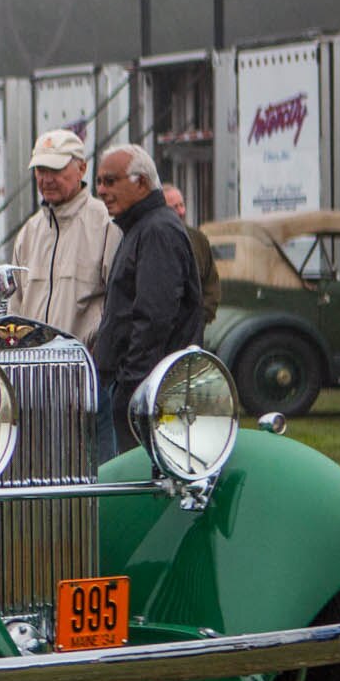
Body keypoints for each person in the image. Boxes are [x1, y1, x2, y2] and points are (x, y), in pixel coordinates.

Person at [91, 144, 203, 458]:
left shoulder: (157, 231)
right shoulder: (139, 228)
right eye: (99, 182)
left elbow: (153, 317)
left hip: (146, 393)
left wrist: (131, 390)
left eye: (111, 181)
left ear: (141, 183)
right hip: (134, 386)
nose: (102, 190)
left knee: (130, 486)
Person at [9, 131, 115, 346]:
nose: (47, 179)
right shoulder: (29, 232)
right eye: (41, 170)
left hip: (87, 368)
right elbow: (14, 308)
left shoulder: (106, 224)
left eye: (56, 169)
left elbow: (121, 306)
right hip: (32, 369)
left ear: (82, 169)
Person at [162, 182, 219, 334]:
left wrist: (201, 317)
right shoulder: (154, 241)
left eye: (182, 205)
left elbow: (211, 282)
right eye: (174, 207)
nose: (181, 211)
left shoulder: (198, 240)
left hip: (193, 331)